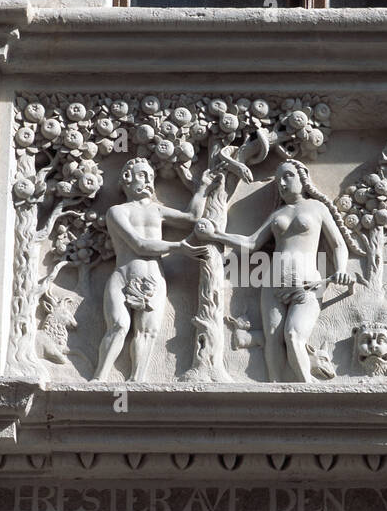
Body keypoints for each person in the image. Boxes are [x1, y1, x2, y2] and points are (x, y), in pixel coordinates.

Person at [195, 160, 354, 383]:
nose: (282, 182)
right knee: (272, 339)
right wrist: (215, 236)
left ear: (302, 178)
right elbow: (251, 243)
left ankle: (307, 386)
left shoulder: (317, 208)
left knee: (293, 335)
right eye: (279, 179)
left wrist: (342, 269)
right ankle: (275, 386)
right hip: (273, 283)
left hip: (308, 284)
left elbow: (338, 245)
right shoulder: (277, 214)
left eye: (288, 176)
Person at [93, 158, 210, 382]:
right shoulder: (117, 211)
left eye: (150, 176)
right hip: (124, 277)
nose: (147, 180)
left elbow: (192, 218)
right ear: (126, 179)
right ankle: (99, 379)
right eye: (141, 175)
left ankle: (137, 381)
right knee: (118, 325)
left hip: (153, 280)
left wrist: (203, 188)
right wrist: (179, 247)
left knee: (147, 332)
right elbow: (140, 245)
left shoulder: (157, 210)